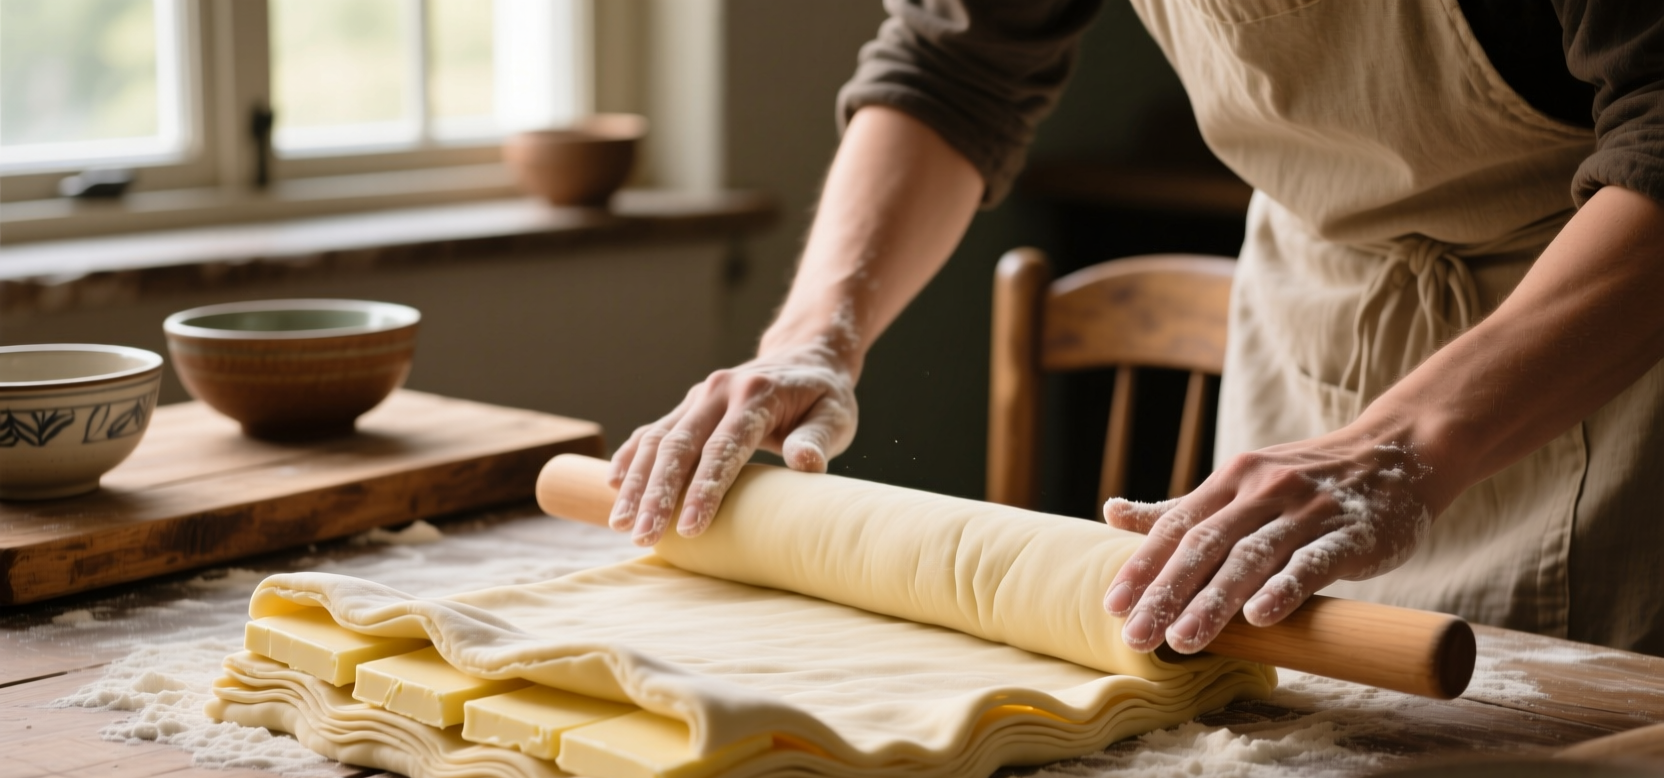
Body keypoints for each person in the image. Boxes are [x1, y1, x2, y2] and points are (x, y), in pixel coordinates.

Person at [606, 0, 1664, 657]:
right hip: (1322, 322)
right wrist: (812, 333)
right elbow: (951, 65)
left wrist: (1400, 445)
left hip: (1598, 338)